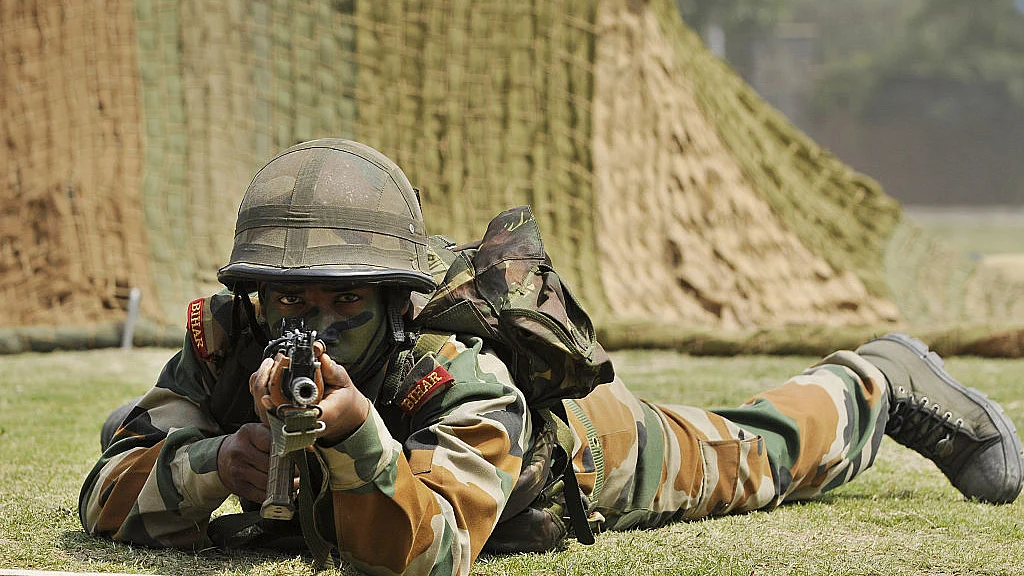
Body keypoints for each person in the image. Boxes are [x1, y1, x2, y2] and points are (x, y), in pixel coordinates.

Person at [80, 138, 1024, 575]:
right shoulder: (227, 345)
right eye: (291, 300)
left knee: (758, 456)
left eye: (344, 303)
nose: (313, 328)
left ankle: (875, 380)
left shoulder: (459, 374)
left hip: (582, 452)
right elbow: (102, 493)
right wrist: (215, 463)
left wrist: (360, 435)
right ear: (255, 296)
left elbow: (433, 554)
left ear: (397, 303)